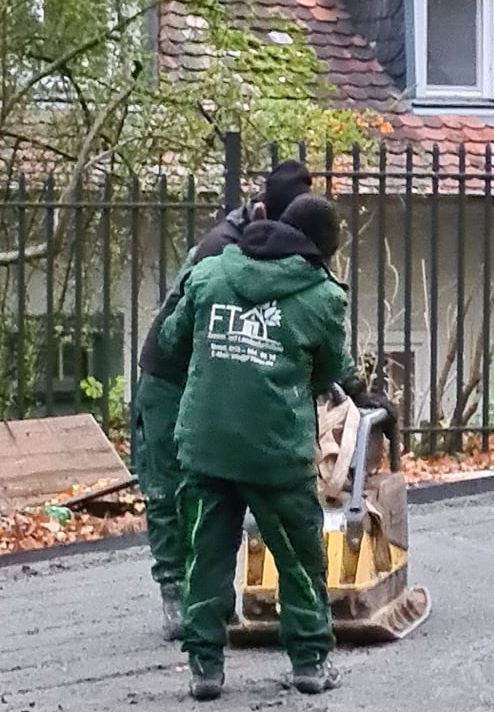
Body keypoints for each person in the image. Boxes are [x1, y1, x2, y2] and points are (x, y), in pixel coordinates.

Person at [159, 193, 353, 700]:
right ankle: (309, 662)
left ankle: (205, 670)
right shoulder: (323, 296)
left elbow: (172, 339)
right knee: (297, 555)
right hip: (276, 451)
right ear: (321, 250)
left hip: (206, 444)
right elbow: (332, 371)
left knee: (204, 556)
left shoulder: (208, 274)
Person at [133, 161, 314, 641]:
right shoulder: (218, 251)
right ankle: (179, 594)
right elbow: (178, 336)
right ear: (263, 214)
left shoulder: (276, 244)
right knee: (173, 489)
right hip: (172, 380)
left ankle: (210, 603)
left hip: (216, 376)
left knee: (219, 492)